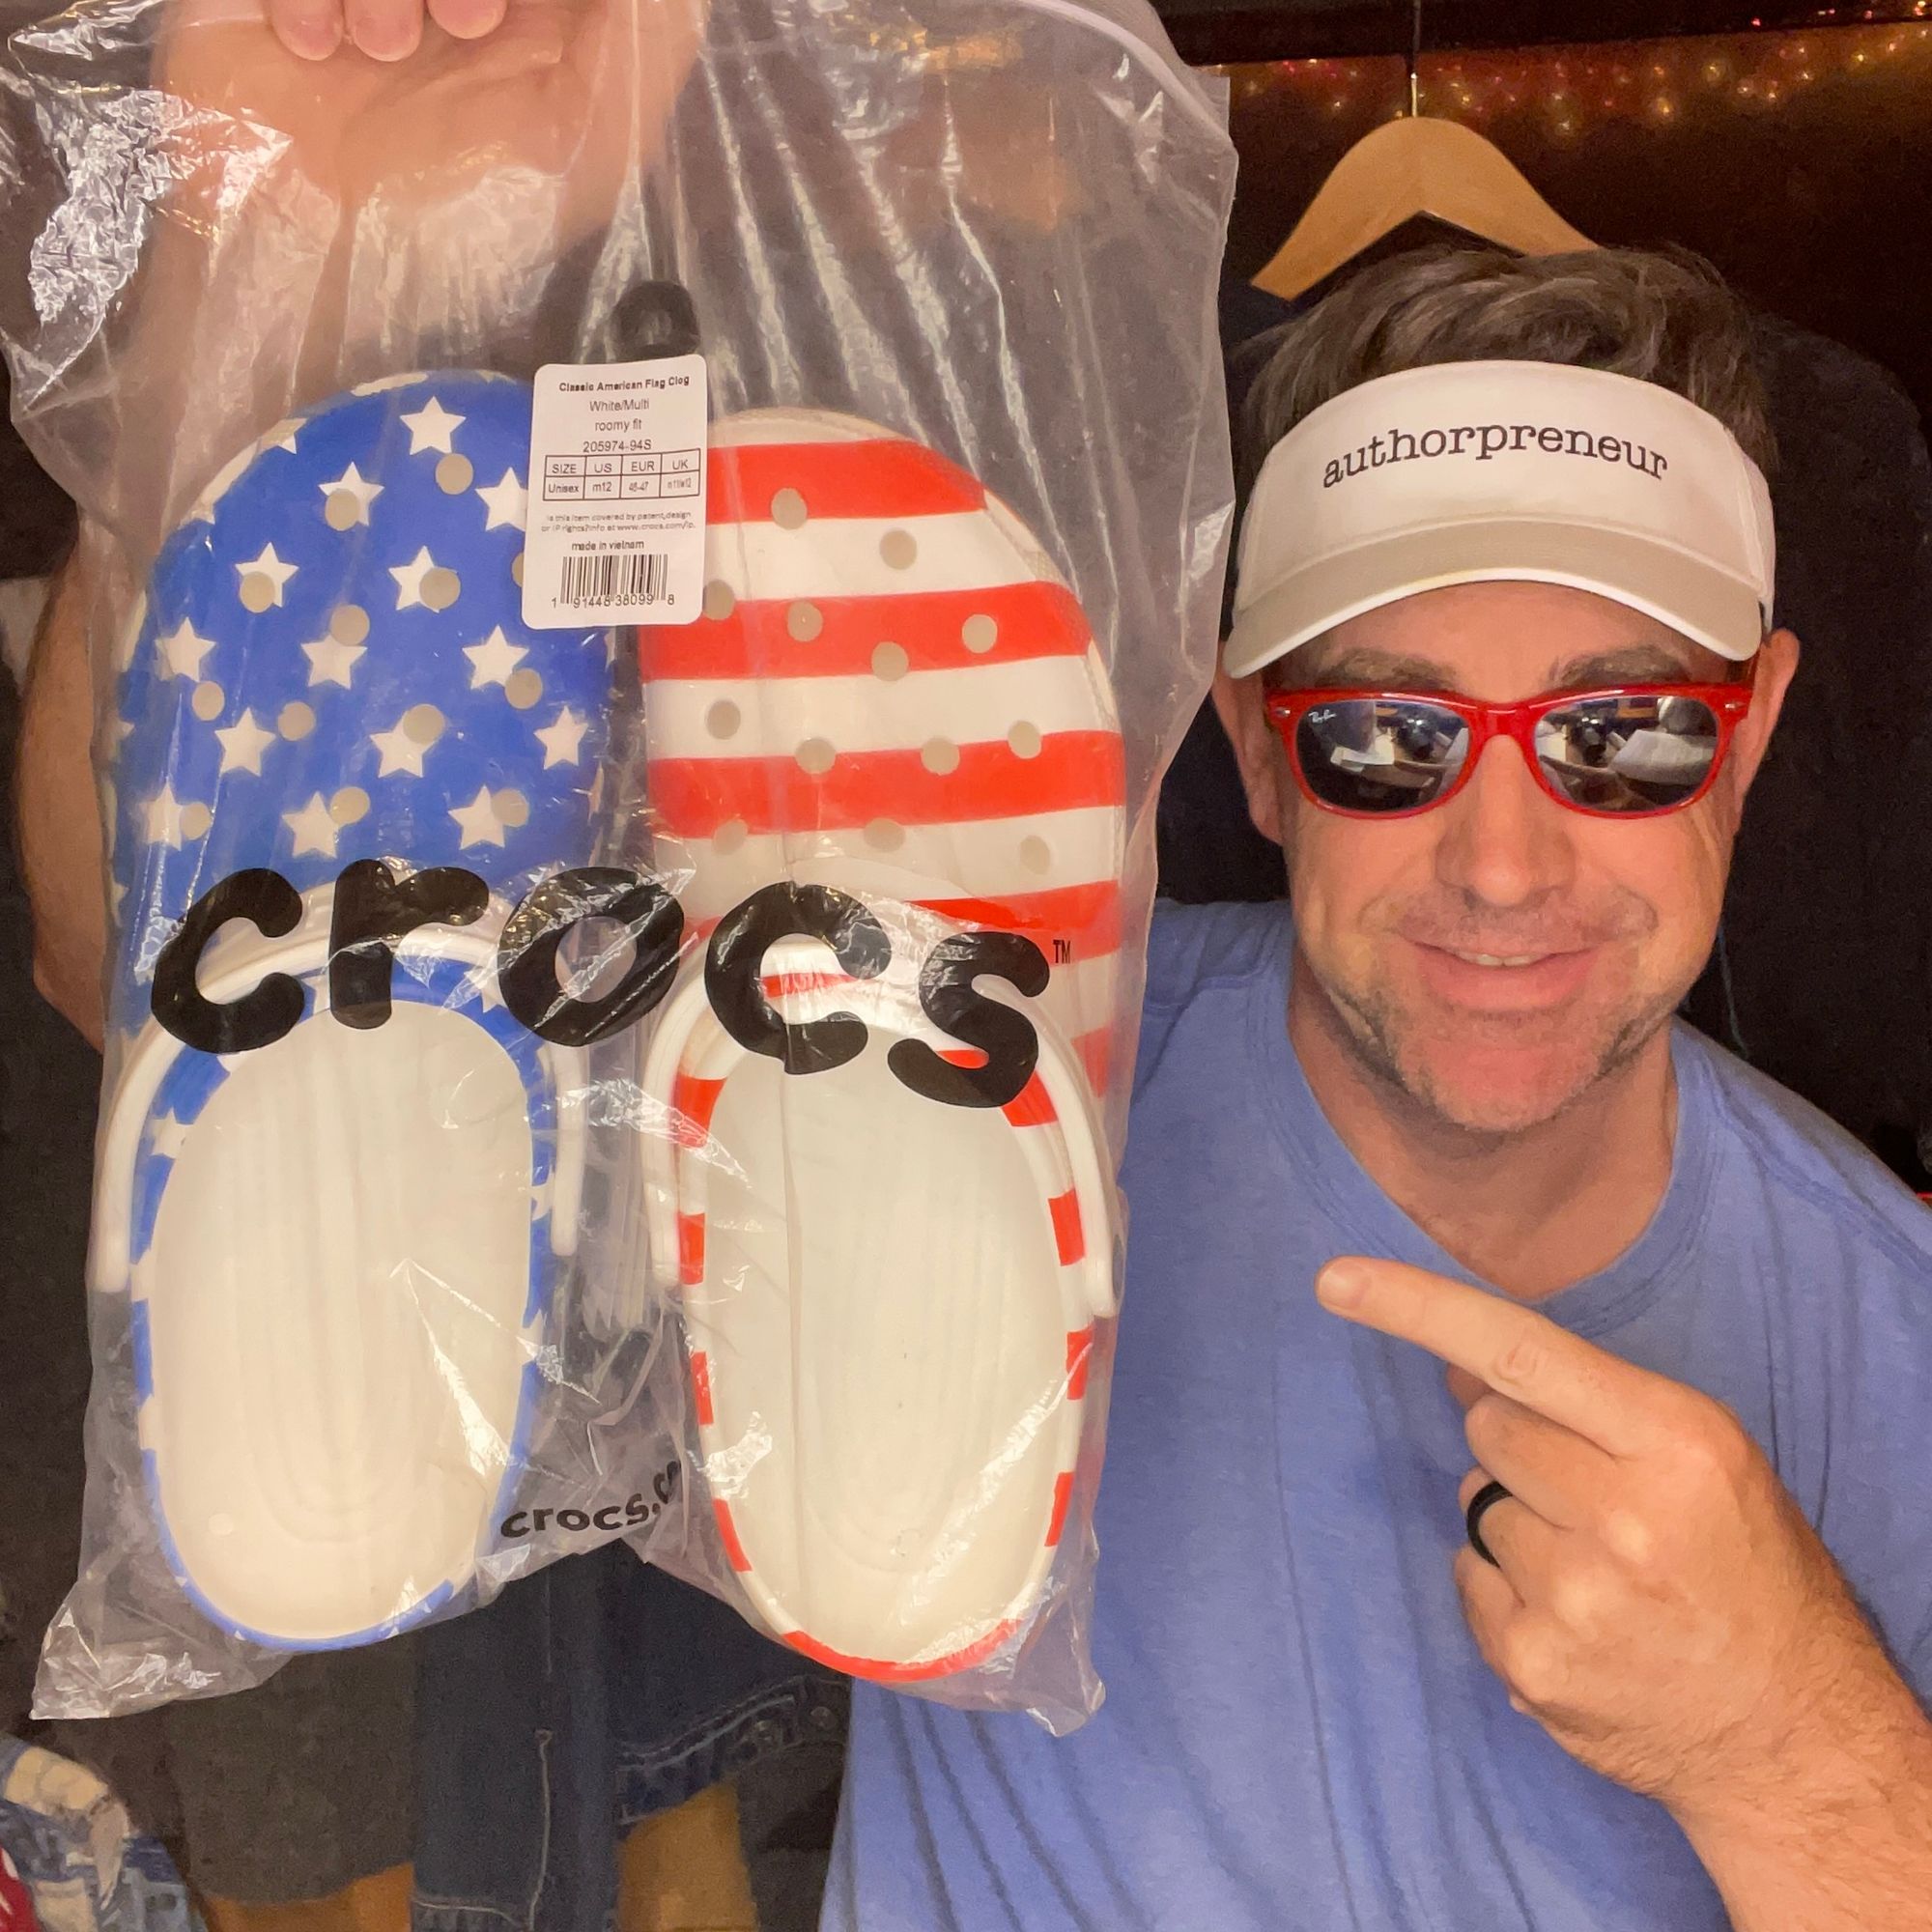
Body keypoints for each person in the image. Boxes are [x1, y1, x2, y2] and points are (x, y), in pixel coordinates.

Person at [825, 245, 1932, 1930]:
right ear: (1261, 753)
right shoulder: (991, 1082)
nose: (1503, 868)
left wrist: (1784, 1746)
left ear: (1753, 735)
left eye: (1624, 732)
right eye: (1388, 736)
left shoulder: (1897, 1350)